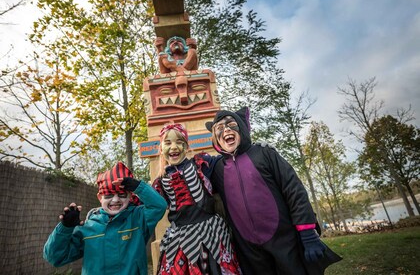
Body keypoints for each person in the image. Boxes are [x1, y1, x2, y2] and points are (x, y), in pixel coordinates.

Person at [205, 107, 342, 275]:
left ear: (242, 127)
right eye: (219, 128)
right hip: (249, 251)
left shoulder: (264, 153)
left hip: (284, 240)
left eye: (231, 124)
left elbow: (294, 190)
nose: (226, 129)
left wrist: (307, 232)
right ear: (215, 139)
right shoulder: (217, 168)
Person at [43, 162, 167, 275]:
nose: (115, 200)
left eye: (122, 194)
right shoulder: (87, 228)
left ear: (130, 196)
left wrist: (138, 187)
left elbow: (159, 206)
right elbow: (54, 258)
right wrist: (65, 228)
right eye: (108, 195)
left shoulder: (139, 219)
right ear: (99, 197)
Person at [152, 123, 241, 274]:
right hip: (179, 239)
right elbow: (148, 205)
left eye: (179, 142)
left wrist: (251, 147)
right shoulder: (159, 182)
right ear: (161, 149)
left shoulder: (202, 164)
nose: (174, 147)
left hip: (210, 233)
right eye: (168, 143)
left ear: (186, 147)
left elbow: (228, 158)